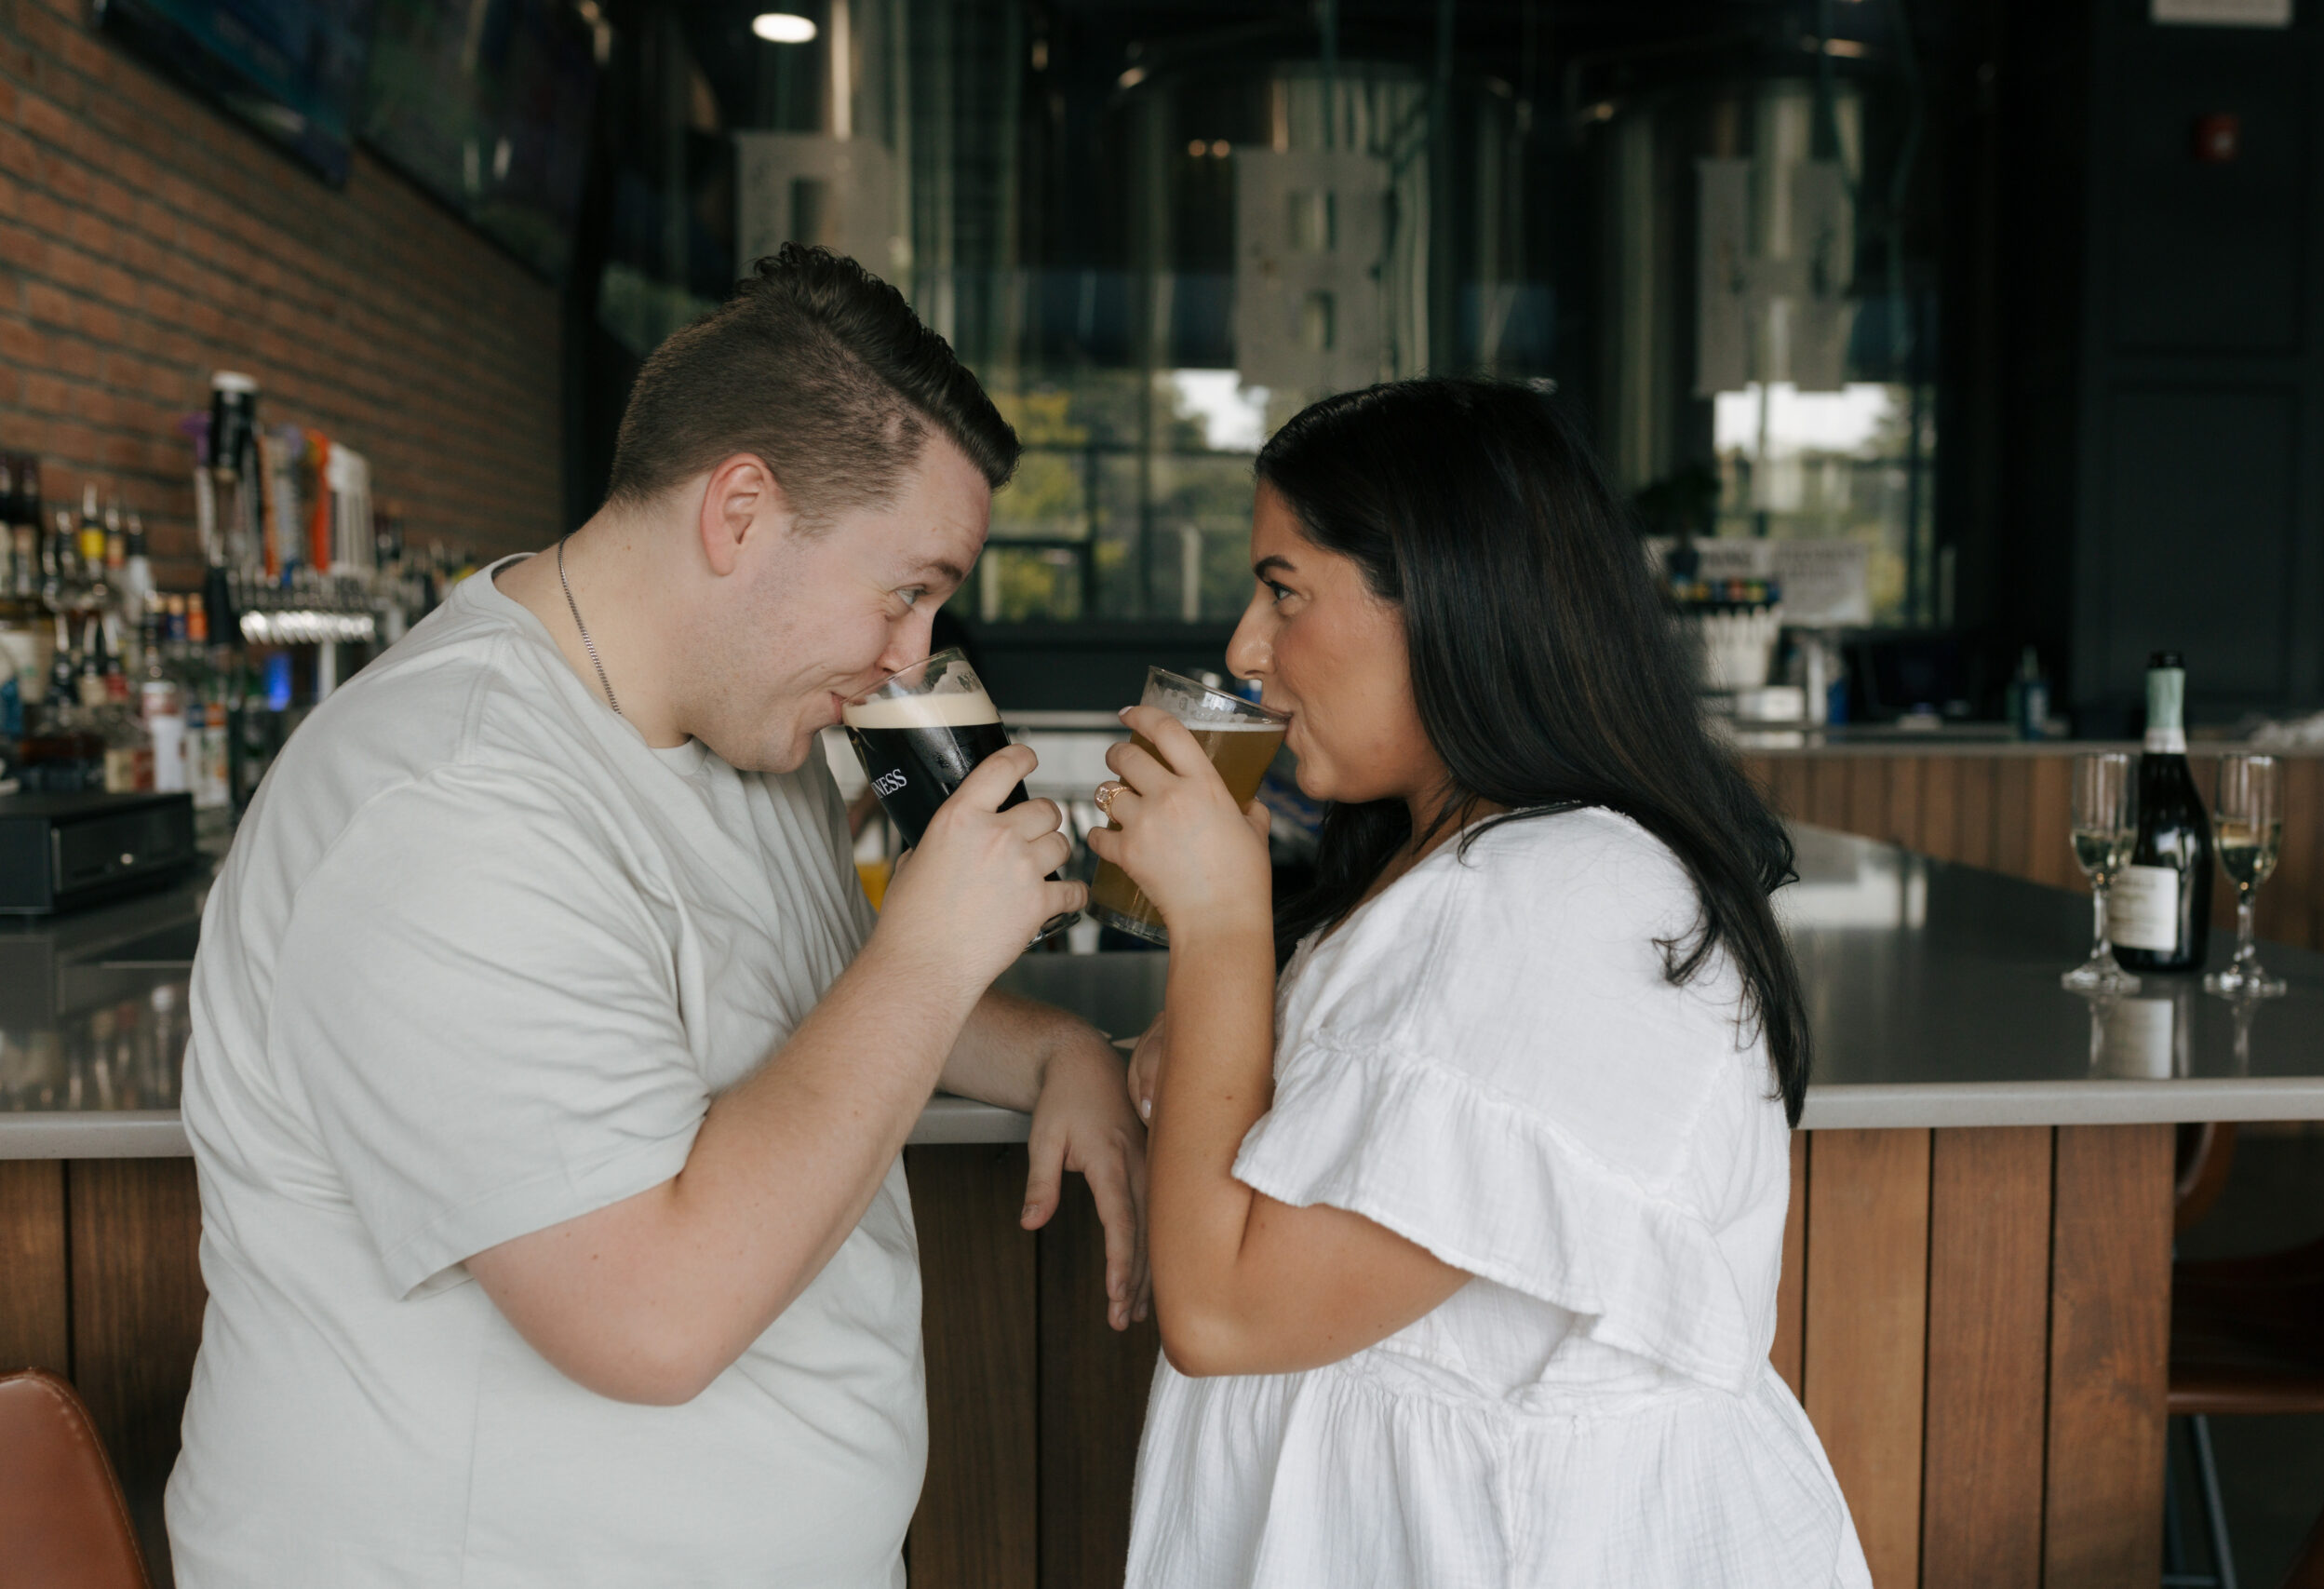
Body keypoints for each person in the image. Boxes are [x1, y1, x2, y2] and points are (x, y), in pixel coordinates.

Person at [167, 245, 1147, 1586]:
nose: (915, 657)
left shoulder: (749, 736)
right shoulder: (448, 808)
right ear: (739, 510)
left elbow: (815, 1021)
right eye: (906, 588)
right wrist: (932, 941)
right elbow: (650, 1319)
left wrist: (1048, 1049)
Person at [1091, 378, 1871, 1587]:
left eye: (1285, 590)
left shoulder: (1568, 903)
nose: (1245, 648)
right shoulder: (1456, 868)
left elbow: (1224, 1311)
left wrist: (1220, 930)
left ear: (1452, 602)